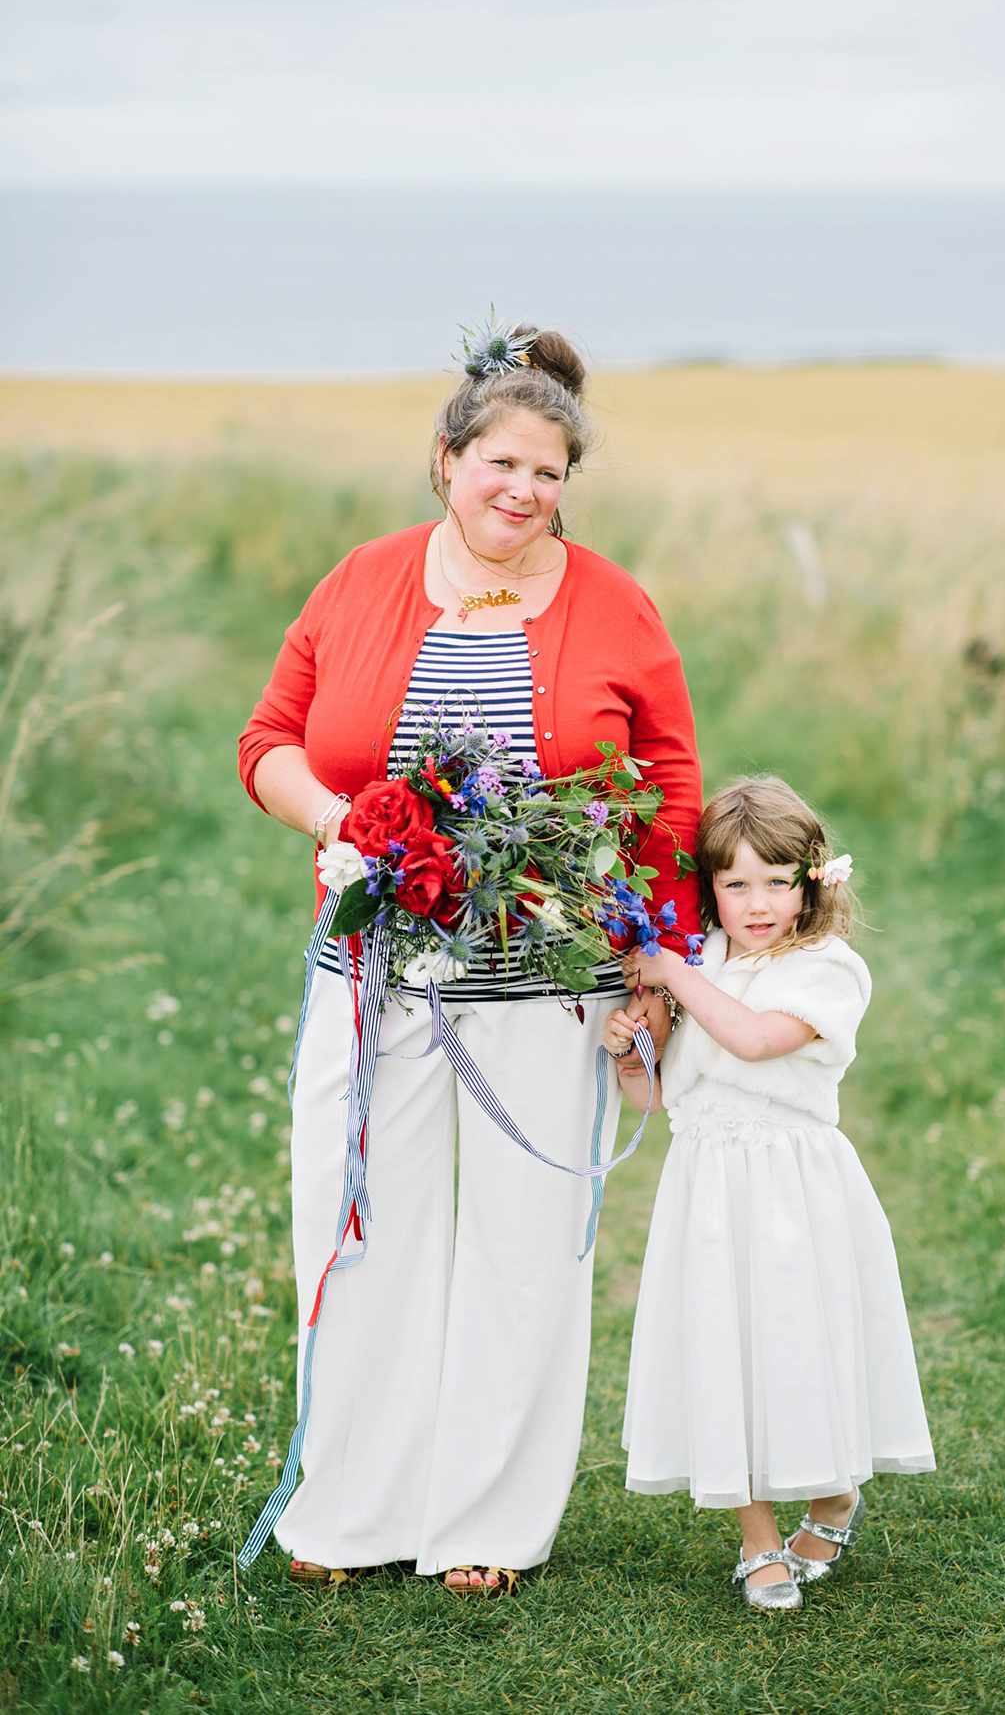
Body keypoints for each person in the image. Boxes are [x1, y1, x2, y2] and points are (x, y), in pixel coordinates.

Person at [238, 317, 702, 1594]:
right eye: (501, 463)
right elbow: (270, 738)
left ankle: (487, 1525)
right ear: (446, 459)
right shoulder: (361, 579)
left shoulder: (615, 606)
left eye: (549, 474)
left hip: (548, 992)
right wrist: (342, 818)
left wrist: (652, 973)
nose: (523, 491)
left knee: (519, 1246)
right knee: (361, 1233)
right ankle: (349, 1512)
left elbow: (667, 785)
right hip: (376, 982)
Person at [602, 776, 934, 1612]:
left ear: (812, 882)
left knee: (797, 1344)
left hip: (796, 1188)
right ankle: (756, 1536)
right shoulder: (703, 959)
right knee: (721, 1345)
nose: (756, 904)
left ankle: (833, 1497)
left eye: (778, 881)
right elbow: (658, 1099)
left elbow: (751, 1040)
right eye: (735, 883)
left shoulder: (828, 970)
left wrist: (670, 970)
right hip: (707, 1189)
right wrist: (628, 1054)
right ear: (708, 886)